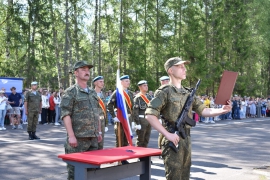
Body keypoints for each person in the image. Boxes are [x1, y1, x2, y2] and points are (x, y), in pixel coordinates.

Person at [145, 57, 232, 180]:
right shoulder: (165, 91)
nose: (184, 69)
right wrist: (167, 135)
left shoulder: (188, 93)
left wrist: (222, 110)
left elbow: (203, 110)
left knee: (185, 175)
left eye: (184, 66)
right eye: (180, 66)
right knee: (174, 176)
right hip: (172, 139)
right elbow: (150, 115)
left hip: (186, 139)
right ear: (170, 70)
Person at [60, 61, 102, 180]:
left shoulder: (93, 92)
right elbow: (65, 114)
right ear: (76, 73)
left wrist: (98, 132)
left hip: (93, 140)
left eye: (88, 69)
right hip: (78, 141)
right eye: (83, 69)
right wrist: (71, 136)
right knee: (75, 174)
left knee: (93, 172)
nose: (87, 72)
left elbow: (96, 113)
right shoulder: (71, 92)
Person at [107, 75, 134, 165]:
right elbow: (109, 105)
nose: (128, 82)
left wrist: (133, 119)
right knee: (120, 139)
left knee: (126, 138)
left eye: (128, 81)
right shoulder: (117, 92)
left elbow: (132, 107)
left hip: (128, 119)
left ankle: (124, 157)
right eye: (126, 81)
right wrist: (114, 116)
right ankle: (119, 157)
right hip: (120, 119)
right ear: (121, 82)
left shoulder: (130, 93)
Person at [93, 75, 108, 150]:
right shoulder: (91, 94)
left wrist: (106, 124)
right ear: (95, 83)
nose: (102, 83)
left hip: (102, 121)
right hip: (94, 121)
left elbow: (104, 110)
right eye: (100, 82)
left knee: (101, 143)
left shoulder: (103, 95)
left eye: (103, 81)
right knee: (94, 143)